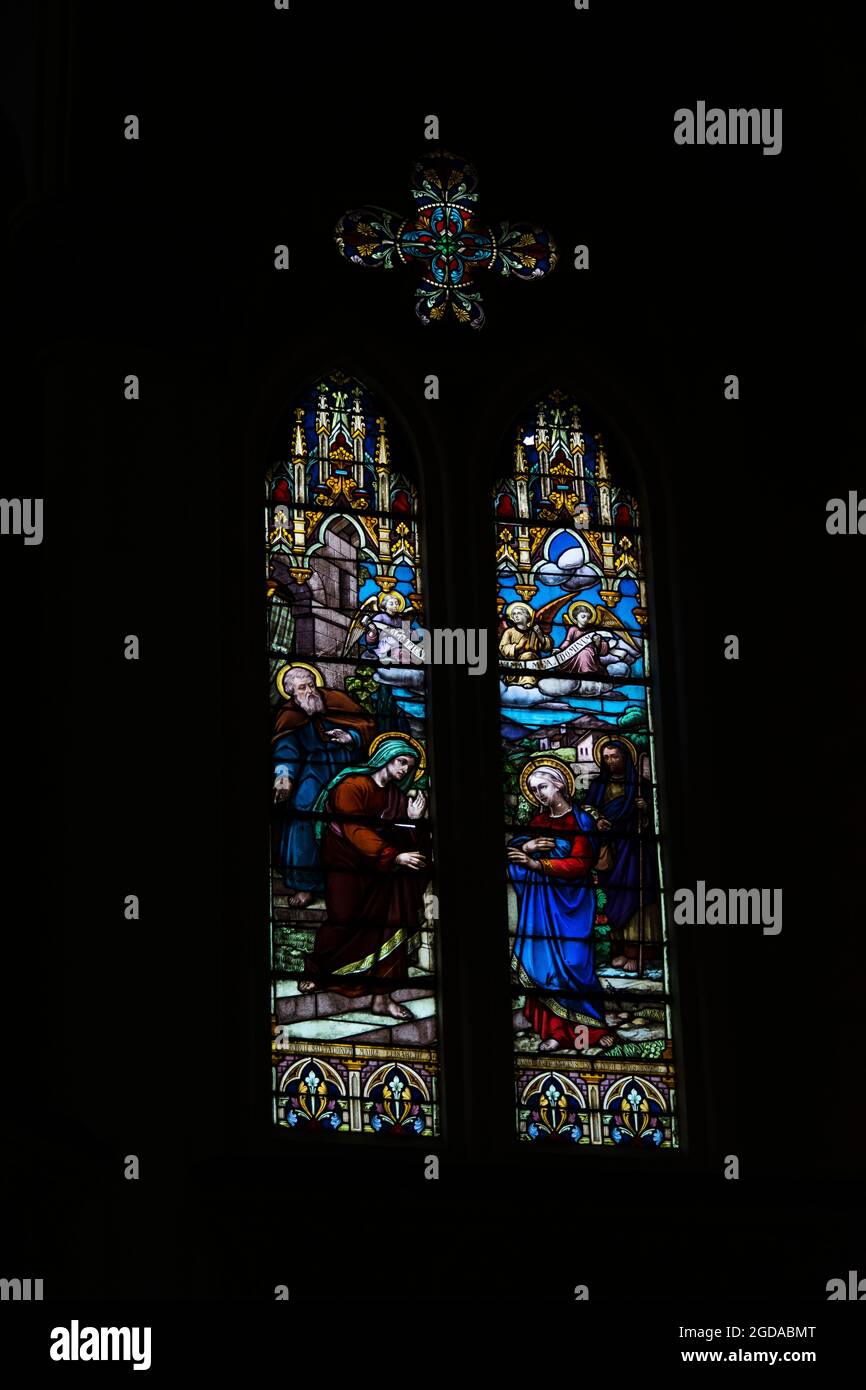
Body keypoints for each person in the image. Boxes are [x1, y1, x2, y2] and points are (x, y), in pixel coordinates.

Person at [298, 736, 430, 1020]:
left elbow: (403, 835)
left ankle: (382, 998)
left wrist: (412, 819)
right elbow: (353, 829)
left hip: (381, 870)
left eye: (409, 766)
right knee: (343, 920)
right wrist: (392, 855)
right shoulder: (351, 786)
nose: (405, 769)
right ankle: (319, 973)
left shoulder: (396, 797)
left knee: (389, 923)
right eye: (401, 762)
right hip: (346, 864)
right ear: (385, 757)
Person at [507, 759, 615, 1052]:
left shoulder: (581, 821)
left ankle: (591, 1029)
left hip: (573, 905)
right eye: (534, 789)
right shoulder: (536, 823)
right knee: (544, 968)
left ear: (559, 784)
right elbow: (512, 855)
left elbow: (581, 864)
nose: (539, 794)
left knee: (576, 964)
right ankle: (554, 1032)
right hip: (540, 906)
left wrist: (537, 863)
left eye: (542, 786)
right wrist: (525, 849)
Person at [272, 664, 374, 907]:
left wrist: (351, 738)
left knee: (354, 814)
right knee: (302, 811)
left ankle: (356, 881)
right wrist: (284, 774)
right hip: (313, 770)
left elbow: (367, 727)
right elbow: (286, 747)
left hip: (347, 766)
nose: (309, 691)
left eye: (311, 685)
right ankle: (306, 885)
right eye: (301, 688)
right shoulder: (290, 715)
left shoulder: (337, 701)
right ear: (291, 694)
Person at [584, 736, 661, 973]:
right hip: (610, 850)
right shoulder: (598, 786)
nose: (610, 761)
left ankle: (638, 952)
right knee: (613, 898)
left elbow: (653, 824)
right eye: (606, 757)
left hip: (635, 849)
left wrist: (645, 810)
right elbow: (587, 811)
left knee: (638, 895)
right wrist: (598, 820)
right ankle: (617, 950)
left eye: (614, 756)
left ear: (626, 758)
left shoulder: (641, 785)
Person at [498, 601, 553, 688]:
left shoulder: (534, 632)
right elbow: (503, 648)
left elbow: (546, 648)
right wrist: (518, 646)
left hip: (533, 665)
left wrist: (540, 636)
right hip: (513, 667)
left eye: (519, 613)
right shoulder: (509, 632)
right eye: (513, 614)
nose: (515, 615)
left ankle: (528, 680)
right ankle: (522, 681)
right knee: (527, 655)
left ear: (527, 616)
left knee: (528, 655)